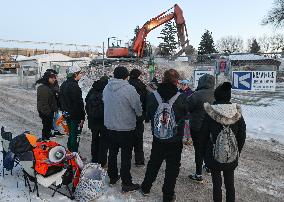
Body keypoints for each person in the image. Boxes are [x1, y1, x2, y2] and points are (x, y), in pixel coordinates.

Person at [141, 69, 188, 202]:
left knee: (154, 163)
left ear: (163, 79)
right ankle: (167, 195)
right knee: (172, 167)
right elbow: (186, 115)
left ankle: (145, 187)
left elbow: (148, 114)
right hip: (175, 138)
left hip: (158, 137)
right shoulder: (182, 97)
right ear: (177, 81)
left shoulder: (152, 96)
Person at [203, 82, 246, 202]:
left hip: (213, 155)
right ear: (229, 97)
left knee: (216, 185)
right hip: (231, 155)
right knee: (230, 185)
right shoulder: (237, 113)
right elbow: (242, 135)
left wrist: (204, 155)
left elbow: (204, 136)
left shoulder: (210, 113)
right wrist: (237, 152)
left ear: (216, 96)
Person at [103, 66, 142, 192]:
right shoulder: (129, 89)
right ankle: (126, 183)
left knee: (112, 153)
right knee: (126, 156)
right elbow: (138, 108)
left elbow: (105, 101)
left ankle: (113, 177)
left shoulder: (107, 87)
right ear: (127, 76)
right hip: (126, 128)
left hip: (110, 126)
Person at [187, 74, 215, 182]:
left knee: (199, 149)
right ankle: (208, 167)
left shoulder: (196, 95)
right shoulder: (216, 94)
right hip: (212, 128)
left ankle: (198, 174)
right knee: (209, 147)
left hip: (197, 127)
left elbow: (188, 108)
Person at [59, 66, 85, 152]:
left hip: (67, 114)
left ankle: (70, 152)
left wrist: (63, 110)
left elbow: (59, 100)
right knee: (75, 135)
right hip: (74, 115)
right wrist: (82, 117)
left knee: (71, 134)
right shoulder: (74, 86)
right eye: (79, 73)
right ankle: (73, 155)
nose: (81, 75)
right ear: (75, 74)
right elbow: (78, 103)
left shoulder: (63, 84)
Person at [85, 76, 109, 167]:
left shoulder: (92, 90)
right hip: (104, 121)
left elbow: (87, 102)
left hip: (93, 121)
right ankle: (102, 161)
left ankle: (94, 159)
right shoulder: (107, 92)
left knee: (94, 140)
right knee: (104, 141)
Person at [128, 69, 148, 167]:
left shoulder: (127, 86)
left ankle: (126, 159)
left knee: (127, 139)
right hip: (139, 116)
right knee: (139, 139)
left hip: (127, 116)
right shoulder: (142, 86)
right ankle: (139, 160)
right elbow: (146, 101)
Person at [36, 71, 58, 140]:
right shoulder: (43, 88)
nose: (54, 79)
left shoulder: (48, 87)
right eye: (52, 78)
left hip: (48, 112)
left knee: (47, 128)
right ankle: (45, 142)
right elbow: (43, 103)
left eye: (54, 78)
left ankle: (46, 141)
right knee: (46, 128)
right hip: (46, 113)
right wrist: (48, 113)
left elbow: (51, 100)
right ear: (47, 78)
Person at [45, 69, 63, 136]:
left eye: (56, 76)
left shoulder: (55, 82)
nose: (55, 77)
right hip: (49, 104)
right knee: (50, 118)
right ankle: (49, 131)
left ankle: (55, 130)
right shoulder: (46, 83)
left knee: (57, 117)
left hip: (55, 103)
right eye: (54, 76)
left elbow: (57, 91)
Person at [179, 79, 193, 145]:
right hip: (180, 112)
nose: (183, 86)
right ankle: (181, 138)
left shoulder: (191, 92)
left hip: (187, 112)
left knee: (188, 126)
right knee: (181, 126)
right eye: (182, 84)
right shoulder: (178, 92)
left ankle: (189, 139)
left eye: (184, 84)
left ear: (187, 85)